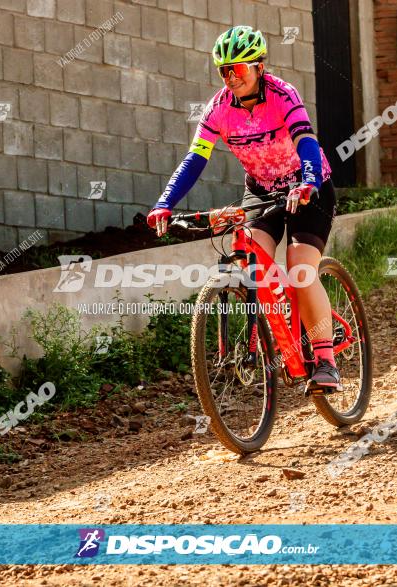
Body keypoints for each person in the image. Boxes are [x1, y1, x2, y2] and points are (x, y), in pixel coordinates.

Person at [146, 25, 340, 392]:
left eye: (238, 68)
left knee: (300, 268)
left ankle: (326, 359)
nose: (231, 77)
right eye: (224, 70)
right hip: (263, 192)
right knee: (249, 256)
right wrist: (164, 203)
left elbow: (306, 140)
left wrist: (309, 181)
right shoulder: (219, 108)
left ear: (259, 67)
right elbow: (194, 159)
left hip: (307, 188)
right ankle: (269, 337)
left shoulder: (283, 94)